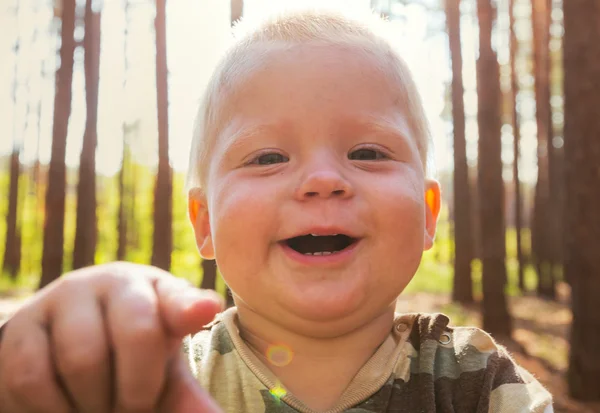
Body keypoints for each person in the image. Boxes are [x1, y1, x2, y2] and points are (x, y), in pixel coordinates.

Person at [0, 8, 552, 413]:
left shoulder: (483, 387)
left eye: (367, 152)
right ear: (205, 223)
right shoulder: (149, 381)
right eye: (267, 157)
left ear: (429, 213)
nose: (323, 181)